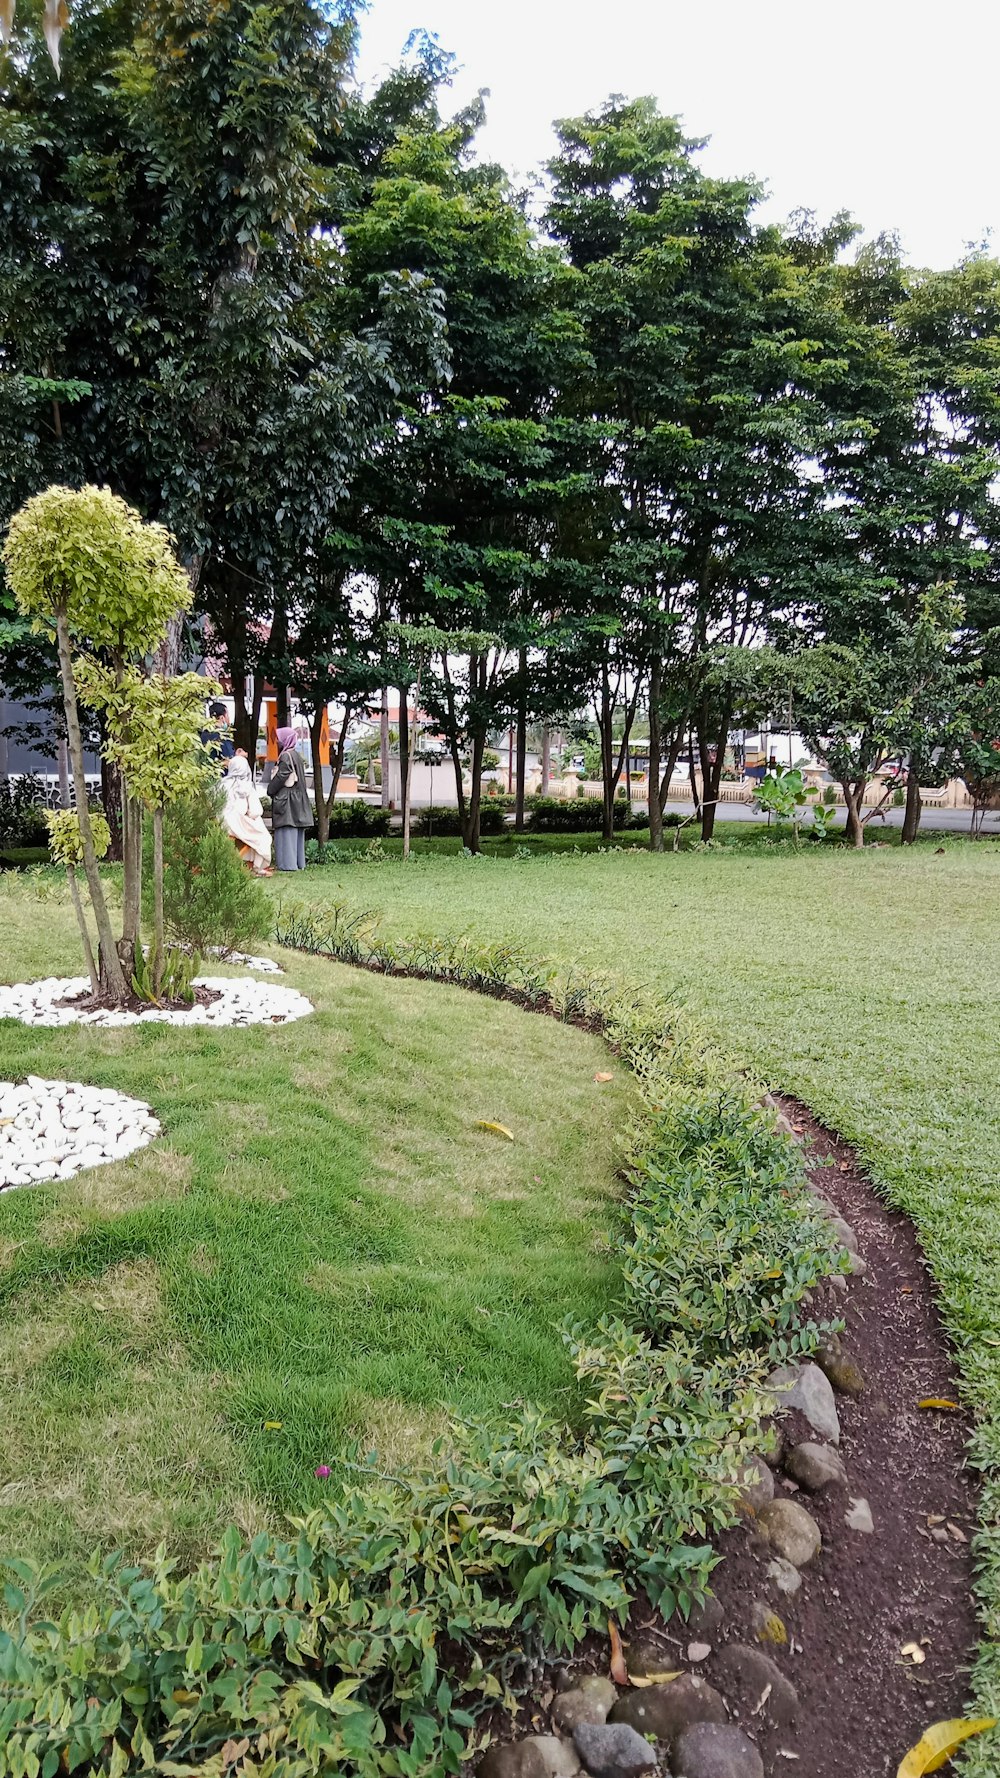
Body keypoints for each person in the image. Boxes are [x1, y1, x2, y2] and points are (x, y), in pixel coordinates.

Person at [269, 725, 312, 871]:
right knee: (296, 832)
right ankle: (298, 862)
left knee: (287, 830)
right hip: (297, 798)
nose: (278, 742)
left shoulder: (286, 756)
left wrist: (271, 789)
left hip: (287, 800)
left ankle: (287, 864)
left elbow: (282, 776)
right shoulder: (296, 755)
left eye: (280, 739)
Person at [221, 755, 272, 876]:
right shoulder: (246, 786)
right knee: (263, 837)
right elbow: (255, 812)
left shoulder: (221, 784)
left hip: (220, 823)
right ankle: (257, 867)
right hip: (237, 824)